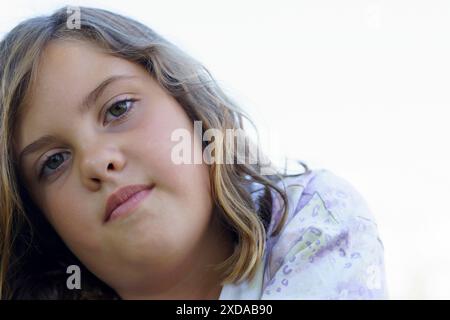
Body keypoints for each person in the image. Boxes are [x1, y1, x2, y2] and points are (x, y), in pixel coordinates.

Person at [0, 6, 388, 299]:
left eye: (118, 108)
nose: (97, 162)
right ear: (41, 224)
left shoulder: (312, 218)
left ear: (189, 107)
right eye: (53, 161)